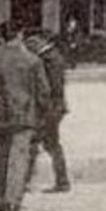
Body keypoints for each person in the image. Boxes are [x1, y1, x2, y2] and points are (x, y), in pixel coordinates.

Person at [0, 25, 53, 211]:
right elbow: (44, 91)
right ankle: (14, 201)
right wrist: (44, 113)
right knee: (19, 159)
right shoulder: (32, 60)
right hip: (24, 115)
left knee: (0, 157)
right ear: (20, 35)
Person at [25, 33, 69, 194]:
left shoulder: (49, 60)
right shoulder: (53, 57)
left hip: (49, 109)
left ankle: (27, 180)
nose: (29, 47)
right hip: (53, 108)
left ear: (41, 41)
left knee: (40, 143)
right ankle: (61, 180)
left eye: (31, 43)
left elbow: (51, 87)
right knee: (48, 144)